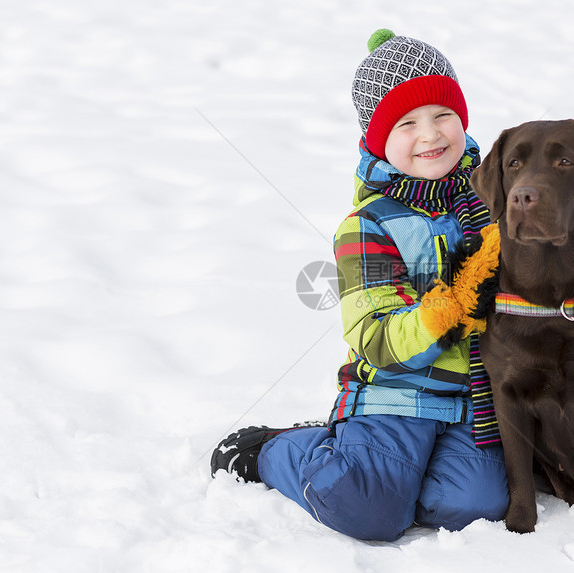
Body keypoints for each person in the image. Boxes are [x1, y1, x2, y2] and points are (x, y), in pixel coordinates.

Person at [211, 29, 507, 542]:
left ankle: (398, 472)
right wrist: (451, 304)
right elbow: (377, 338)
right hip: (393, 396)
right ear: (377, 139)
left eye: (443, 115)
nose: (430, 134)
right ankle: (281, 450)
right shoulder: (368, 226)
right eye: (407, 123)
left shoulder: (495, 198)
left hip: (474, 400)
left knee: (474, 507)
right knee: (366, 509)